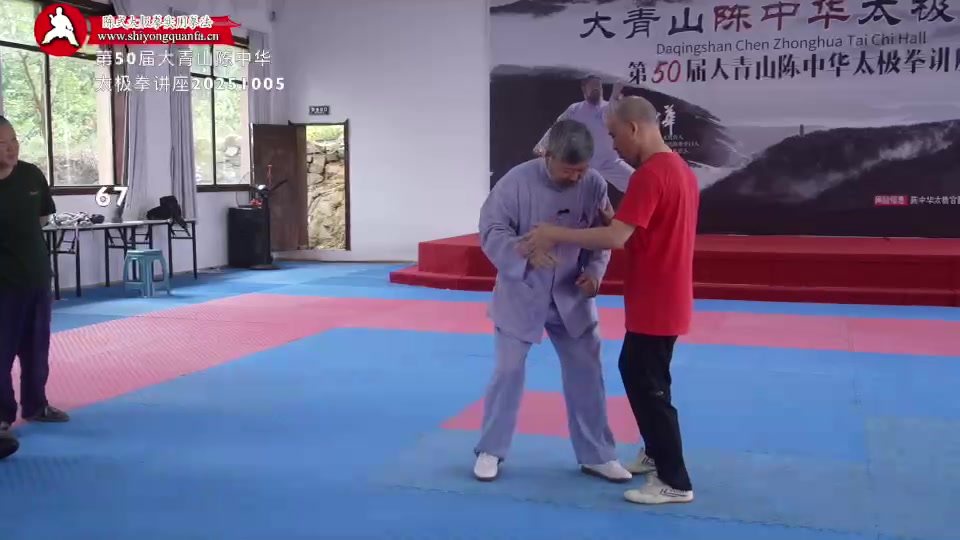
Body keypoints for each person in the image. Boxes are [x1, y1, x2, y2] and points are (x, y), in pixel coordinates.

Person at [519, 96, 697, 505]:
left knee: (646, 383)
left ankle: (675, 480)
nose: (613, 146)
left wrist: (553, 233)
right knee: (647, 376)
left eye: (615, 135)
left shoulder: (651, 175)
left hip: (658, 298)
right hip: (665, 293)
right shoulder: (679, 170)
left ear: (634, 128)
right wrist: (609, 221)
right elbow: (643, 231)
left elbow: (616, 238)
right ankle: (654, 453)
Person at [474, 119, 631, 483]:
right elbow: (491, 230)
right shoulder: (515, 182)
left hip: (571, 293)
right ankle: (490, 449)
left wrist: (595, 273)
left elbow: (603, 235)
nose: (576, 177)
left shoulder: (594, 184)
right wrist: (522, 251)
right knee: (508, 372)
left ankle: (597, 455)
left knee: (588, 372)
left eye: (581, 170)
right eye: (568, 169)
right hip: (522, 290)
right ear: (548, 155)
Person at [0, 115, 70, 435]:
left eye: (14, 140)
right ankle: (2, 415)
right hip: (3, 284)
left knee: (36, 350)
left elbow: (42, 218)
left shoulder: (31, 175)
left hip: (37, 278)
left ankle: (36, 405)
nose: (11, 148)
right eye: (2, 144)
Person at [533, 75, 635, 195]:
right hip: (582, 164)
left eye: (598, 86)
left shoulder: (607, 108)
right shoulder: (575, 110)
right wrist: (542, 145)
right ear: (584, 89)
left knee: (638, 182)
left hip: (609, 161)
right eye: (593, 85)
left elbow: (612, 112)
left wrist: (615, 96)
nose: (596, 88)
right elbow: (557, 127)